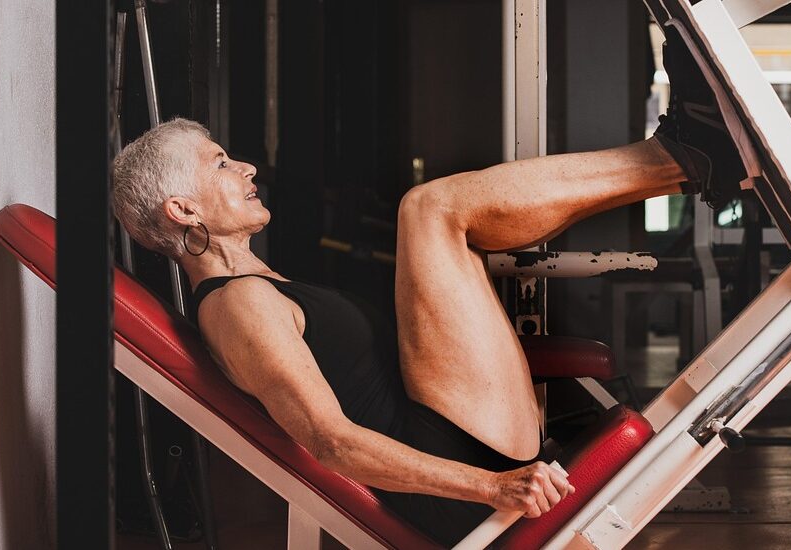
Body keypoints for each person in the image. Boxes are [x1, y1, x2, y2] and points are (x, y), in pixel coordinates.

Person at [110, 33, 741, 546]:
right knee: (430, 209)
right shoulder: (237, 304)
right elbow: (332, 441)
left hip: (456, 434)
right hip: (461, 471)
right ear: (183, 211)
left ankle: (687, 162)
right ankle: (684, 158)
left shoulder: (253, 285)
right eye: (220, 163)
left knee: (444, 219)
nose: (246, 167)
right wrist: (493, 488)